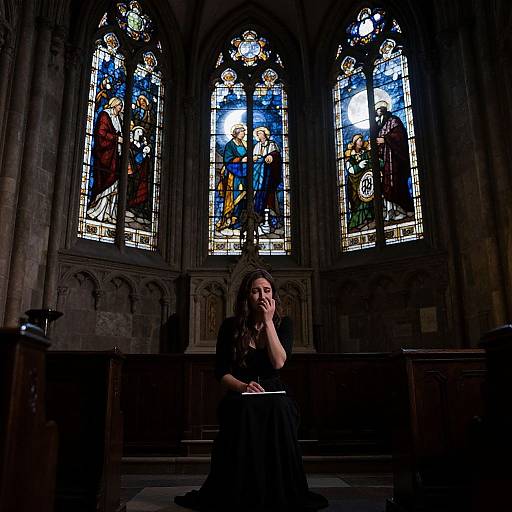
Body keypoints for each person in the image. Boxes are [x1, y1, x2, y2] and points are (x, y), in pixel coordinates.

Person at [175, 269, 329, 512]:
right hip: (241, 390)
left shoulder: (283, 324)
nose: (262, 296)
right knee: (244, 409)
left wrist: (267, 322)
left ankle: (278, 490)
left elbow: (278, 363)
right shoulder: (230, 327)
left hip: (273, 390)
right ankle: (241, 492)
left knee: (280, 408)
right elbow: (222, 372)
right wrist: (243, 387)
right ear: (246, 296)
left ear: (273, 295)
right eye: (256, 291)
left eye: (267, 290)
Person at [375, 100, 414, 221]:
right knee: (386, 186)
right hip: (386, 162)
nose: (378, 112)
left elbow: (400, 136)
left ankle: (404, 210)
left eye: (380, 109)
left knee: (398, 184)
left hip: (396, 161)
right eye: (377, 110)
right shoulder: (380, 125)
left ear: (385, 109)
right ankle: (391, 211)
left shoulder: (394, 120)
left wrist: (385, 140)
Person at [87, 96, 124, 223]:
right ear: (114, 105)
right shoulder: (104, 115)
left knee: (115, 184)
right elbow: (101, 133)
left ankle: (110, 213)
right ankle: (99, 211)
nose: (121, 108)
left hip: (115, 155)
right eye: (120, 106)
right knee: (106, 181)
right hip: (105, 155)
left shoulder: (118, 118)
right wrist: (116, 139)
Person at [216, 123, 248, 231]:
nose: (244, 133)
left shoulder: (245, 144)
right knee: (235, 197)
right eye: (242, 131)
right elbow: (227, 160)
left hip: (245, 174)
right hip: (234, 175)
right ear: (236, 133)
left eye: (244, 131)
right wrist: (241, 160)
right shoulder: (230, 145)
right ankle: (232, 219)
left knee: (244, 197)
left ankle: (242, 221)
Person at [344, 133, 374, 229]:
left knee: (368, 199)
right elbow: (350, 169)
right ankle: (356, 223)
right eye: (359, 140)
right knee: (356, 203)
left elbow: (371, 162)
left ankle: (369, 219)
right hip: (354, 183)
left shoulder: (365, 153)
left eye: (362, 140)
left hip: (366, 182)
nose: (361, 142)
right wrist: (359, 166)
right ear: (355, 143)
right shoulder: (350, 156)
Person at [252, 126, 282, 222]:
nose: (259, 135)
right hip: (258, 172)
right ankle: (257, 213)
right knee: (258, 191)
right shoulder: (257, 145)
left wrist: (271, 156)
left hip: (269, 172)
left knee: (267, 191)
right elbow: (253, 157)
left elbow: (276, 155)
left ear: (265, 134)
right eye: (258, 134)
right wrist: (255, 158)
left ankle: (269, 214)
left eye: (260, 133)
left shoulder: (272, 144)